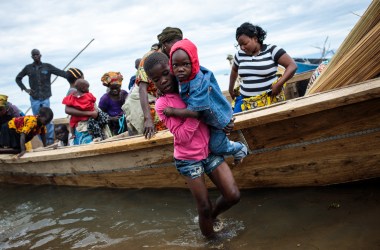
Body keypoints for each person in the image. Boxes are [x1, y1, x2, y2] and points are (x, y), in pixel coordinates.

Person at [144, 52, 240, 238]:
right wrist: (196, 113)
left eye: (165, 73)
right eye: (156, 79)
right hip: (188, 159)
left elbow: (215, 109)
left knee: (233, 195)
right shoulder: (163, 104)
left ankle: (210, 218)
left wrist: (224, 122)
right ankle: (212, 242)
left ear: (172, 68)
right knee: (204, 206)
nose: (163, 80)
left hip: (210, 151)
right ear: (152, 83)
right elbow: (182, 135)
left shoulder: (189, 88)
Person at [166, 38, 247, 165]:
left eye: (185, 64)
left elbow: (194, 112)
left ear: (193, 63)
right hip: (209, 118)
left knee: (216, 147)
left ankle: (239, 147)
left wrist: (172, 111)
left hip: (219, 120)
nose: (180, 69)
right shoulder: (183, 76)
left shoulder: (199, 82)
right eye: (176, 65)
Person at [229, 22, 297, 113]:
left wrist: (279, 84)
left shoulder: (272, 50)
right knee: (234, 124)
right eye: (239, 45)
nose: (242, 48)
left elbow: (292, 66)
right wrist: (230, 89)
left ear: (255, 39)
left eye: (245, 44)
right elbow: (234, 70)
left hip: (269, 101)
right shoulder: (239, 55)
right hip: (245, 102)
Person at [15, 49, 67, 145]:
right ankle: (43, 142)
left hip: (45, 96)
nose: (35, 56)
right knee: (37, 120)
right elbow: (18, 78)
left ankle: (50, 140)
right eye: (33, 55)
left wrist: (70, 75)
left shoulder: (47, 66)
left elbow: (61, 73)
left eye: (37, 55)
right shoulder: (28, 68)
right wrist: (25, 89)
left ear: (40, 55)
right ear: (32, 57)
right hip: (34, 98)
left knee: (48, 118)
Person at [139, 27, 183, 139]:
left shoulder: (177, 54)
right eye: (174, 45)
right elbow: (142, 88)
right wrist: (147, 118)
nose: (178, 48)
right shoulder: (149, 59)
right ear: (164, 44)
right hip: (149, 96)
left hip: (167, 92)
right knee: (158, 115)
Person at [62, 79, 96, 144]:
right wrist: (90, 112)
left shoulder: (72, 97)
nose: (88, 89)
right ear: (83, 89)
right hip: (87, 118)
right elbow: (94, 100)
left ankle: (72, 134)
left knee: (72, 122)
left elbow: (67, 105)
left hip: (76, 118)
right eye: (87, 87)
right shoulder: (89, 96)